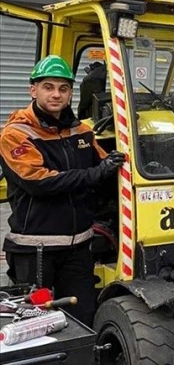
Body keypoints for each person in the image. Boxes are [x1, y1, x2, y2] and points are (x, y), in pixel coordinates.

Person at [0, 55, 125, 327]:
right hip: (37, 251)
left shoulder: (80, 131)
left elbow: (104, 165)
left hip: (78, 247)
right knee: (34, 324)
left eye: (63, 88)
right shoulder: (16, 133)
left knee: (82, 319)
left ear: (71, 92)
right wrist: (96, 173)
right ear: (33, 90)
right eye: (48, 86)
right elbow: (39, 182)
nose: (56, 94)